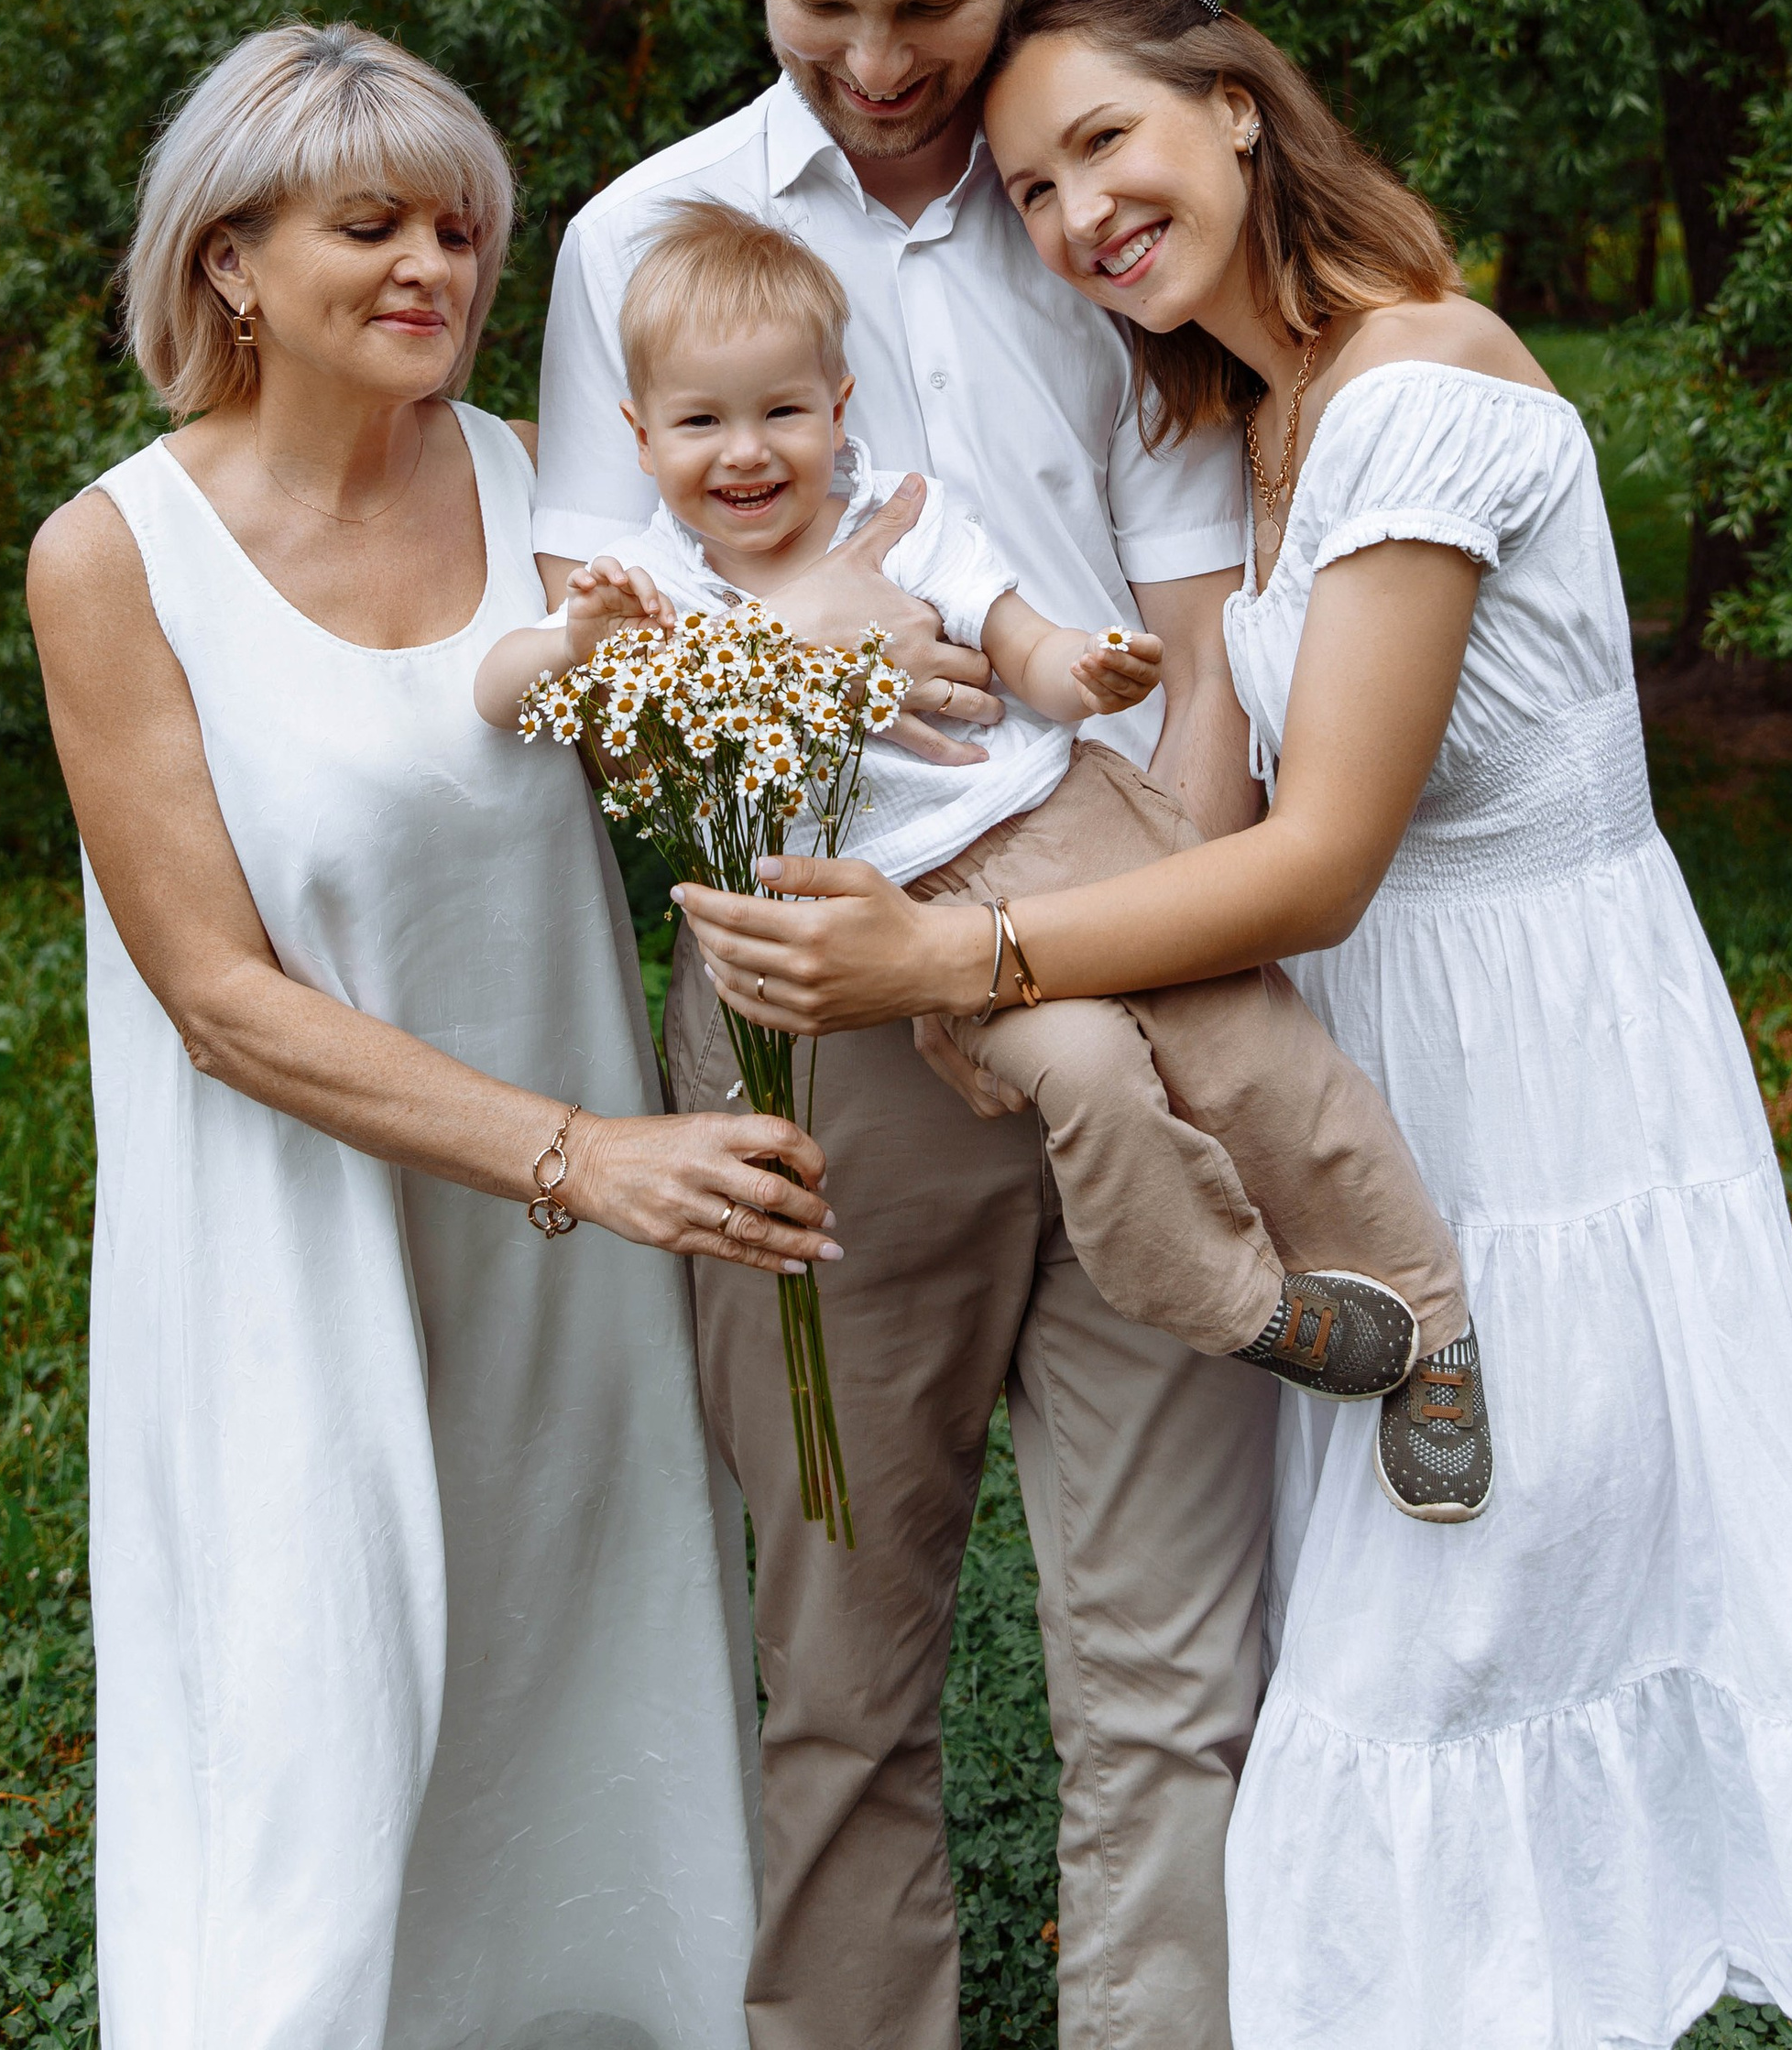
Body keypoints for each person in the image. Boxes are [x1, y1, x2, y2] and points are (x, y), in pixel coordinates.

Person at [677, 0, 1792, 2050]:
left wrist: (961, 958)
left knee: (1452, 1649)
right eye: (1025, 189)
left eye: (1104, 139)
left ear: (1239, 109)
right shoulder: (1262, 418)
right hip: (1379, 1055)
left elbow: (1319, 855)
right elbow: (1215, 821)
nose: (1076, 212)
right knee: (1407, 1643)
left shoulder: (1417, 382)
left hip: (1542, 1080)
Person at [532, 0, 1266, 2050]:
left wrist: (1195, 931)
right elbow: (597, 688)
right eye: (817, 7)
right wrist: (827, 648)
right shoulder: (645, 241)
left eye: (932, 5)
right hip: (817, 1024)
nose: (874, 61)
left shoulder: (1099, 203)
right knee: (839, 1674)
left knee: (1169, 1666)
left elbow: (1192, 628)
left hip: (1122, 958)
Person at [28, 21, 840, 2050]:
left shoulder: (529, 477)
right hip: (304, 1258)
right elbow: (218, 1001)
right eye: (367, 224)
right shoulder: (115, 558)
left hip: (565, 1280)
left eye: (462, 230)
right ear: (227, 263)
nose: (436, 269)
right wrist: (595, 1157)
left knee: (579, 1718)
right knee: (318, 1746)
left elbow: (672, 738)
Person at [493, 194, 1472, 1478]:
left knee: (1255, 1056)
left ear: (839, 406)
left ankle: (1429, 1317)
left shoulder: (900, 512)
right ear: (640, 436)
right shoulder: (655, 588)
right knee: (1092, 1078)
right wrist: (581, 638)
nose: (745, 452)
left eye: (781, 411)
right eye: (699, 422)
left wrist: (1084, 669)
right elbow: (503, 690)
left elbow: (1020, 643)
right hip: (918, 917)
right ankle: (1247, 1310)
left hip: (1067, 827)